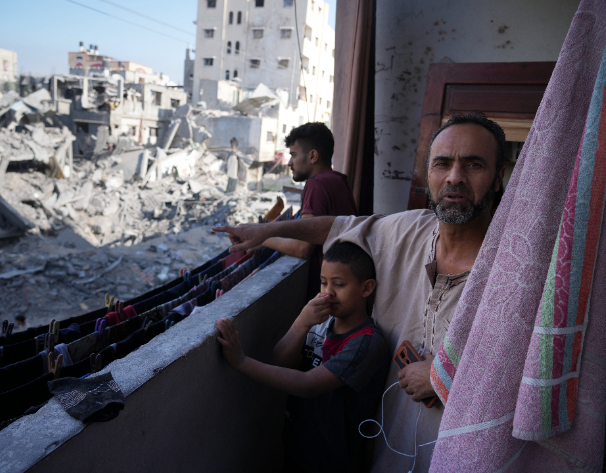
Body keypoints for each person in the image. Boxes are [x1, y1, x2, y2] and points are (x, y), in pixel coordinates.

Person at [212, 112, 507, 471]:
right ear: (428, 174)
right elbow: (336, 227)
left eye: (473, 164)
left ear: (498, 178)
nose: (454, 177)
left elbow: (532, 375)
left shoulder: (516, 270)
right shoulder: (410, 230)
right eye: (442, 163)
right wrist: (265, 234)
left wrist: (446, 377)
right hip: (385, 448)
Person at [215, 241, 389, 472]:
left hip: (333, 459)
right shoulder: (322, 322)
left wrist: (241, 362)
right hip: (299, 444)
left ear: (366, 289)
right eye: (323, 282)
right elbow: (281, 360)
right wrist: (302, 322)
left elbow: (308, 385)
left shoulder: (366, 343)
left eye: (339, 284)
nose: (328, 293)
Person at [262, 122, 357, 299]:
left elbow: (302, 248)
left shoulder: (316, 184)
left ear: (313, 156)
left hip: (329, 295)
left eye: (293, 154)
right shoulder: (338, 181)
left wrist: (263, 239)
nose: (289, 162)